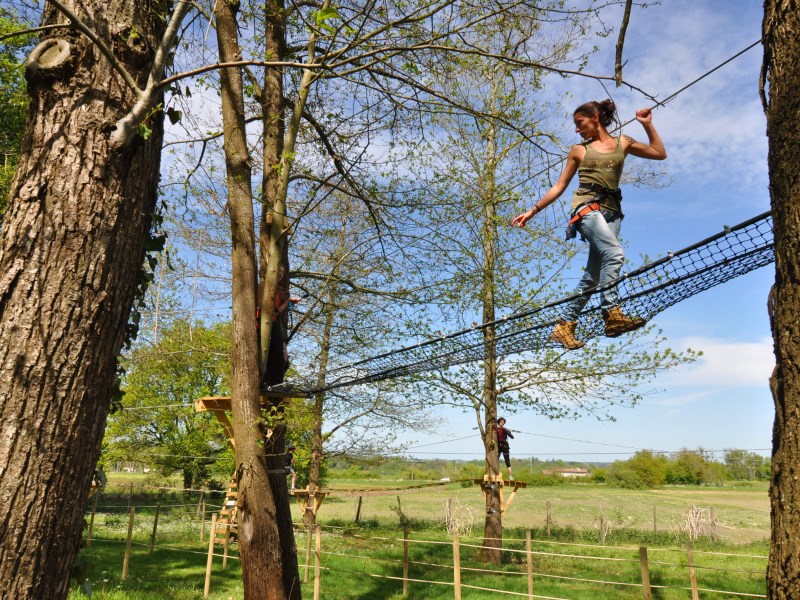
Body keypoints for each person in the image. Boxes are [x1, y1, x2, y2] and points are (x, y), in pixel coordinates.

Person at [512, 100, 667, 350]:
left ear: (595, 118)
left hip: (613, 213)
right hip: (586, 208)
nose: (576, 129)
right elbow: (559, 186)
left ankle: (564, 326)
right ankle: (612, 314)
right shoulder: (579, 150)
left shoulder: (623, 142)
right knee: (614, 254)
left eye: (579, 123)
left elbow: (659, 153)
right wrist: (532, 211)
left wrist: (647, 125)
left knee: (593, 276)